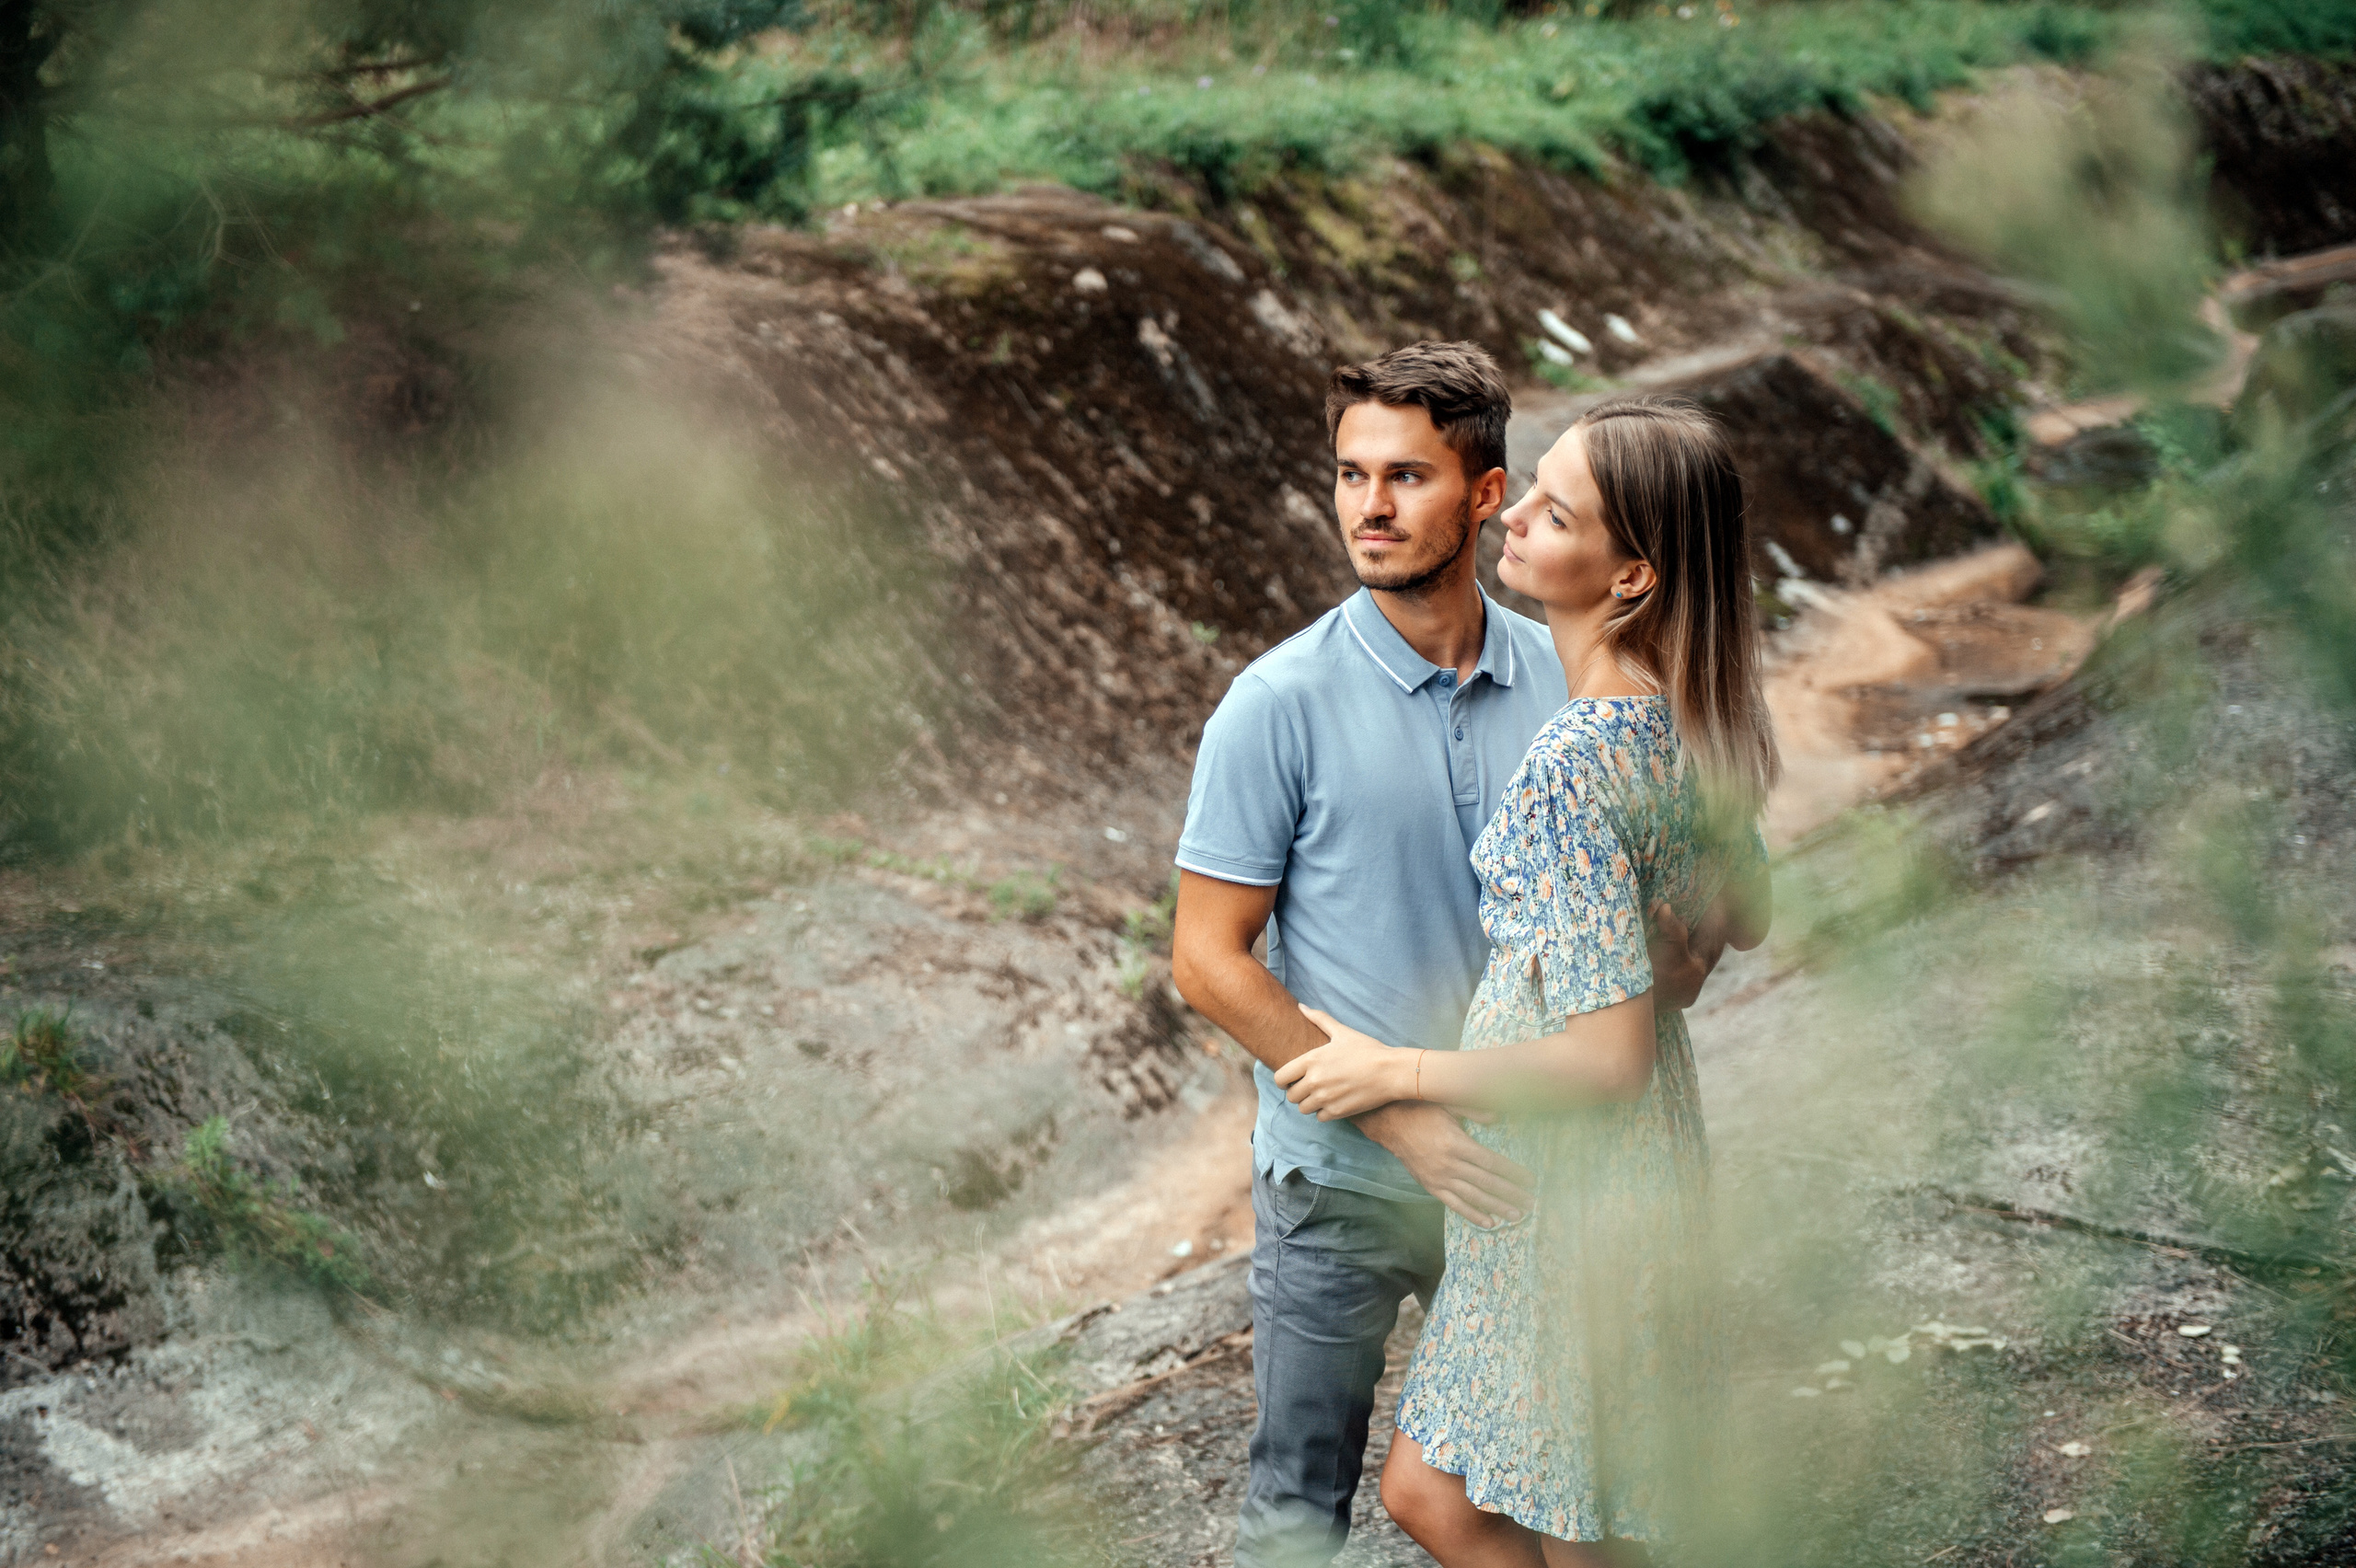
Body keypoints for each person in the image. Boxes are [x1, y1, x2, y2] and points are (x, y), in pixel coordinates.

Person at [1171, 346, 1727, 1568]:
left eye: (1407, 477)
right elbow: (1208, 961)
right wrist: (1397, 1119)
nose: (1369, 506)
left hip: (1540, 1181)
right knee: (1296, 1515)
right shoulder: (1274, 702)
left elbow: (1662, 910)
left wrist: (1671, 955)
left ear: (1484, 498)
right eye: (1350, 475)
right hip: (1351, 1185)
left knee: (1561, 1492)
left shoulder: (1570, 680)